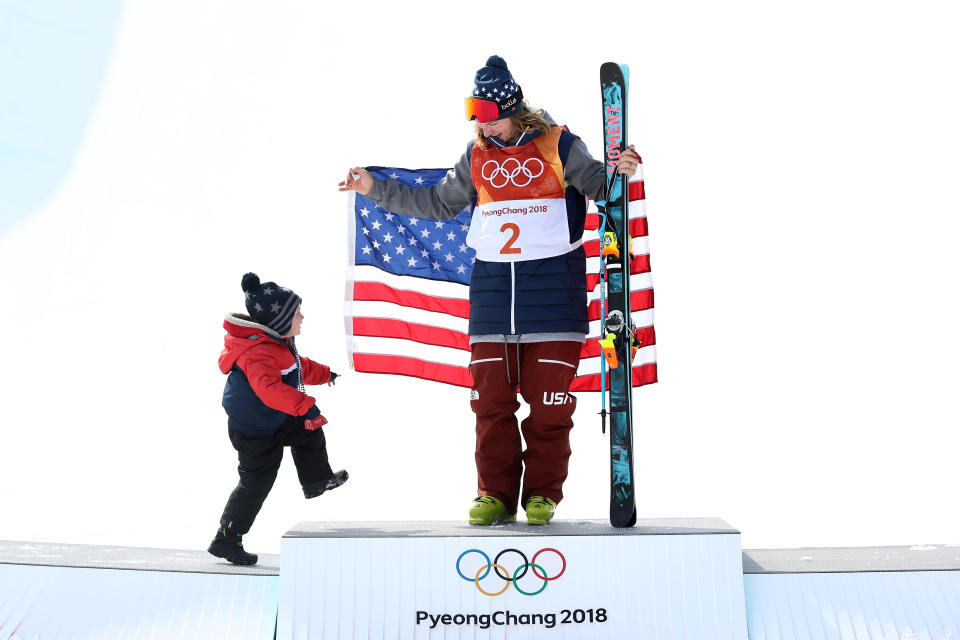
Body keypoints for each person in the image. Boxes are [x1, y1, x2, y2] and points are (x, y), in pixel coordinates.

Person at [339, 56, 640, 526]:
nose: (484, 127)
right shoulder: (476, 155)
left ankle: (542, 493)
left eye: (489, 116)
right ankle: (494, 494)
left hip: (554, 298)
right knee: (490, 407)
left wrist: (623, 168)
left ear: (512, 108)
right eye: (475, 117)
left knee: (548, 408)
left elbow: (603, 186)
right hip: (492, 300)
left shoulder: (558, 143)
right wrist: (373, 187)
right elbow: (438, 202)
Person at [208, 272, 348, 565]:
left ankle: (316, 481)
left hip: (272, 418)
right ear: (280, 320)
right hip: (253, 431)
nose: (303, 318)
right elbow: (269, 390)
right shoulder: (257, 352)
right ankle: (226, 538)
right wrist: (305, 405)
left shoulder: (278, 344)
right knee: (257, 483)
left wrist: (326, 374)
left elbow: (298, 368)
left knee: (309, 430)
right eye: (298, 314)